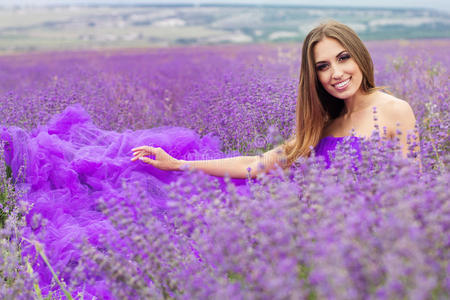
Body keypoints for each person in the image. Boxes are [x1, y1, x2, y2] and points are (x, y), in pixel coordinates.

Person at [131, 20, 418, 178]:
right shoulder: (324, 128)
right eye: (323, 66)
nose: (336, 73)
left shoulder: (394, 110)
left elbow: (414, 191)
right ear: (314, 76)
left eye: (343, 58)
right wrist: (177, 164)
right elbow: (255, 164)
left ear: (360, 56)